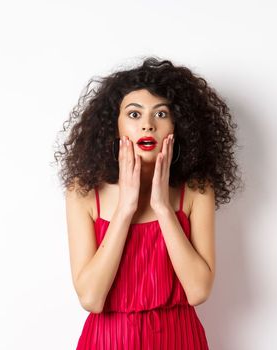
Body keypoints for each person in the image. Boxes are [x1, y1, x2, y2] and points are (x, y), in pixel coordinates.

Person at [53, 57, 243, 349]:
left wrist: (163, 207)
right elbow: (91, 297)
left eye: (161, 114)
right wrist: (125, 209)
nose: (147, 126)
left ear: (177, 126)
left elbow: (198, 291)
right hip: (108, 341)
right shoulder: (83, 193)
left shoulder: (196, 191)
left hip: (179, 339)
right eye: (133, 114)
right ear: (114, 127)